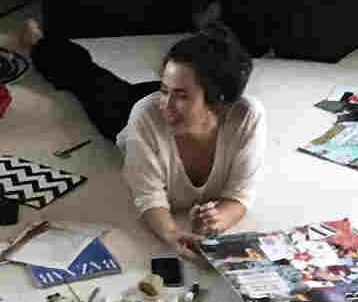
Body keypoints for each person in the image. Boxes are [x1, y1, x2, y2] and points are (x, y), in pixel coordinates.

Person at [20, 17, 266, 248]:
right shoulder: (145, 114)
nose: (166, 104)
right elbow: (148, 198)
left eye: (181, 95)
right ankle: (39, 42)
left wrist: (218, 219)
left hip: (192, 105)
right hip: (127, 109)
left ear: (219, 102)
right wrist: (172, 234)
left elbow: (239, 194)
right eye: (164, 88)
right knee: (87, 79)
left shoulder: (247, 116)